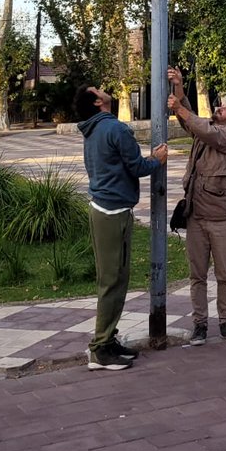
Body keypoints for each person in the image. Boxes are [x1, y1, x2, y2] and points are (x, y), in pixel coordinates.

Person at [76, 83, 168, 371]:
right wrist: (157, 160)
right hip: (112, 210)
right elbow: (138, 168)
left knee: (115, 277)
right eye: (98, 90)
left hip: (104, 208)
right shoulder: (115, 129)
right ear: (96, 102)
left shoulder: (93, 129)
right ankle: (100, 349)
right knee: (112, 281)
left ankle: (109, 339)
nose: (104, 89)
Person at [167, 66, 226, 346]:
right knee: (196, 275)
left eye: (225, 109)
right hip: (196, 217)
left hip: (222, 219)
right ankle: (200, 324)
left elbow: (200, 126)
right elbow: (190, 119)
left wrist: (182, 109)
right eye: (220, 106)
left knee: (225, 275)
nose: (219, 108)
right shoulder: (204, 132)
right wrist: (179, 85)